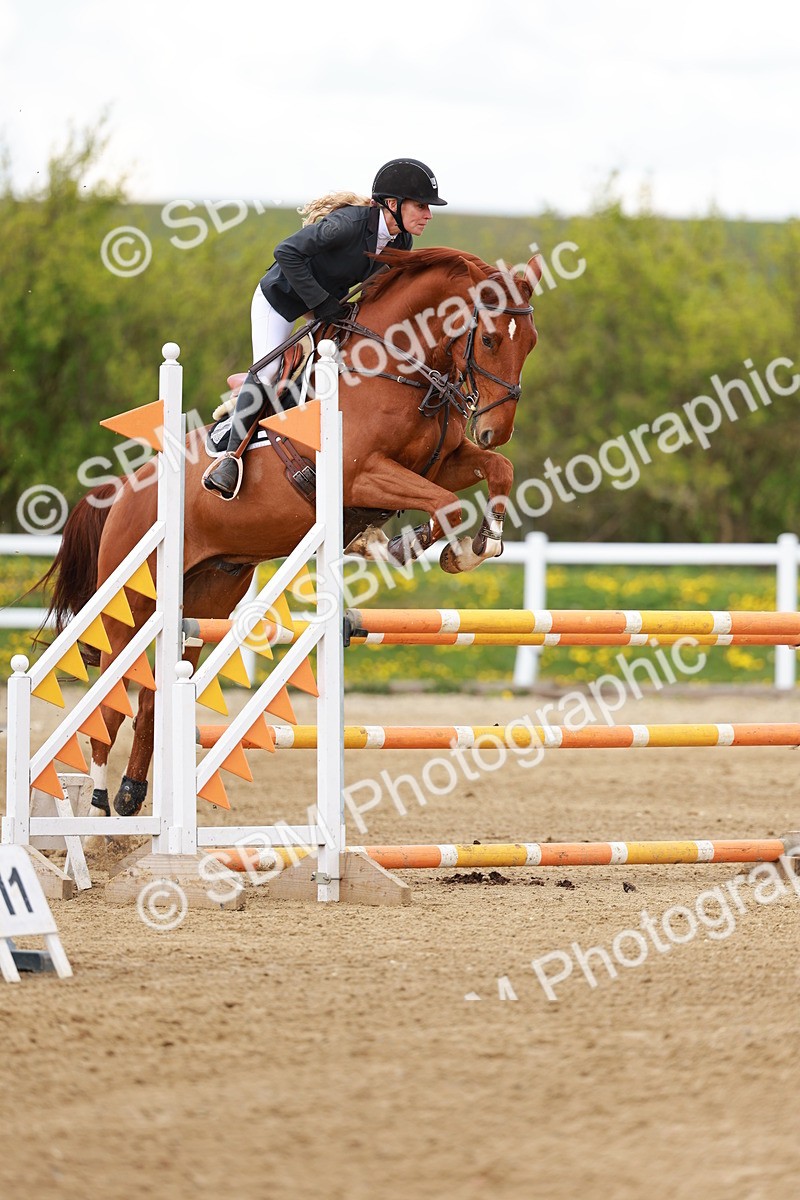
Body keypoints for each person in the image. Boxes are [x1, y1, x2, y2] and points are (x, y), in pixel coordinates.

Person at [203, 158, 447, 499]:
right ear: (392, 204)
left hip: (327, 307)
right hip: (282, 298)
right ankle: (230, 456)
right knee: (271, 369)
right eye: (421, 206)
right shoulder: (347, 224)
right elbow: (286, 252)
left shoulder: (400, 242)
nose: (428, 215)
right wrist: (320, 303)